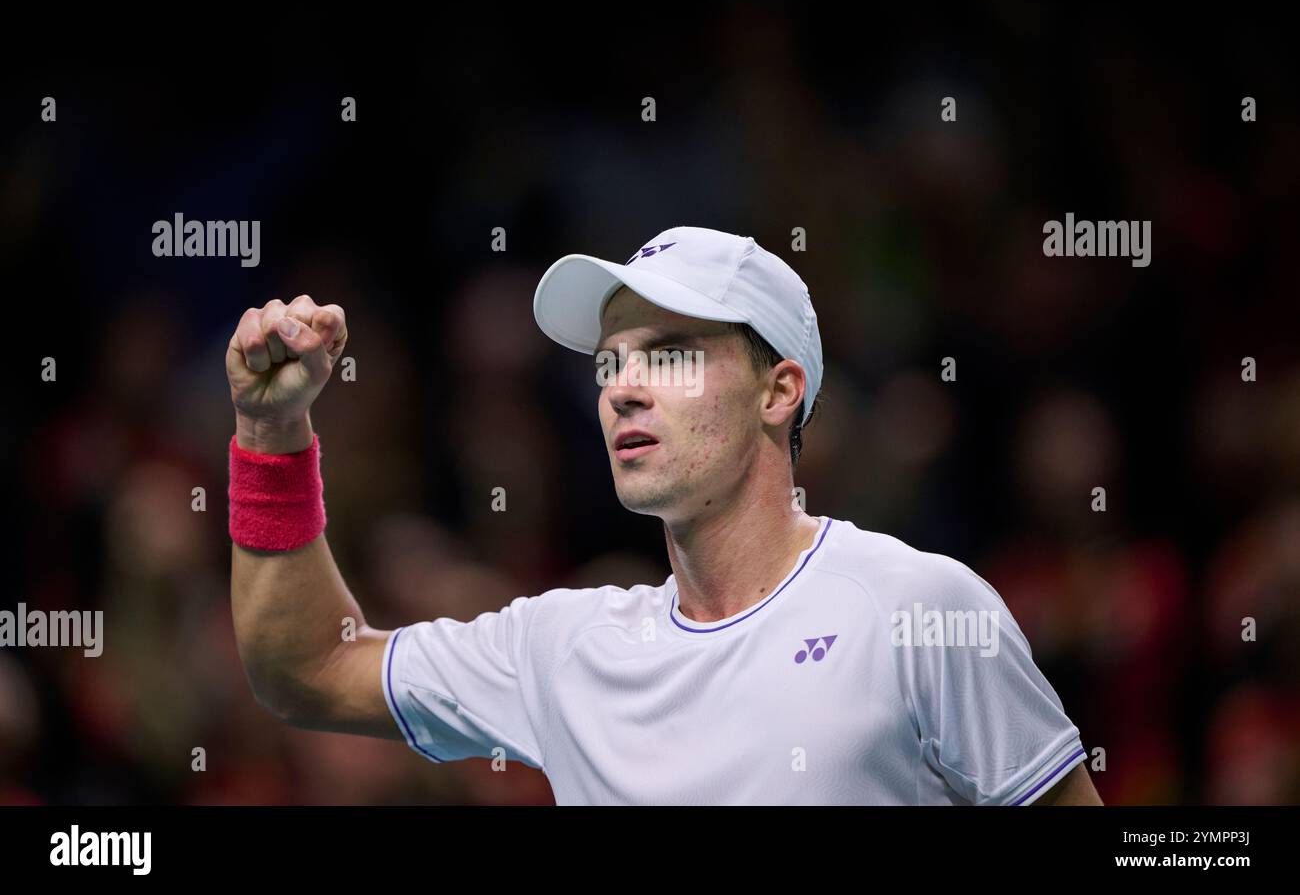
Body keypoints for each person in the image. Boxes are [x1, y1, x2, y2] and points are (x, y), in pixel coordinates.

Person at [227, 226, 1102, 804]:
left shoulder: (922, 608)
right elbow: (305, 669)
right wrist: (270, 432)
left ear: (779, 389)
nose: (624, 391)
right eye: (610, 365)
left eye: (671, 354)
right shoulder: (561, 649)